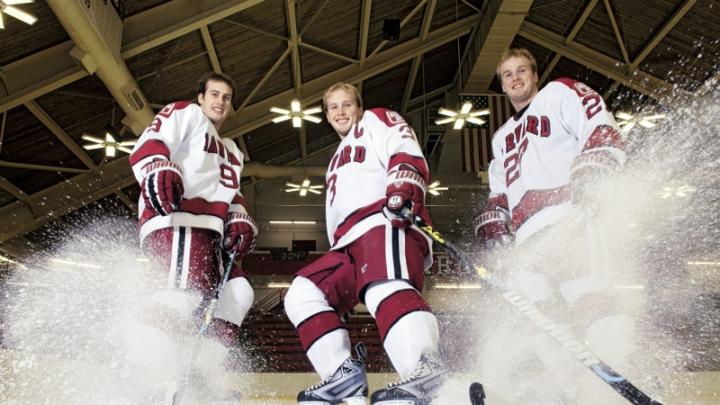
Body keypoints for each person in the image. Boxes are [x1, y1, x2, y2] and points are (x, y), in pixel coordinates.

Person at [474, 48, 636, 403]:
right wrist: (495, 220)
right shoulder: (500, 138)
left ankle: (628, 379)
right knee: (539, 318)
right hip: (527, 241)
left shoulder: (559, 92)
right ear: (501, 84)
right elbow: (499, 190)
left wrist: (597, 160)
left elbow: (597, 122)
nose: (515, 78)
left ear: (534, 74)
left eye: (521, 71)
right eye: (507, 74)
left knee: (588, 295)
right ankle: (568, 391)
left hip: (568, 218)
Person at [283, 82, 447, 405]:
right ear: (327, 115)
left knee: (382, 287)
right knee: (302, 293)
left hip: (383, 220)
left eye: (347, 105)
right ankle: (341, 376)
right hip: (346, 243)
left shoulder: (375, 120)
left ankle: (425, 369)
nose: (341, 112)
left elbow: (403, 145)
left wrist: (403, 183)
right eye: (333, 107)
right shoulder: (333, 161)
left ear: (358, 107)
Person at [128, 72, 256, 369]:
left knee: (238, 293)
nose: (220, 101)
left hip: (211, 230)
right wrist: (158, 167)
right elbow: (151, 142)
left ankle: (200, 372)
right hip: (180, 218)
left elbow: (231, 193)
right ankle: (143, 371)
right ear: (200, 97)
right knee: (182, 294)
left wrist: (240, 217)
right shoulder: (186, 113)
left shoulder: (234, 151)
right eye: (214, 94)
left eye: (226, 97)